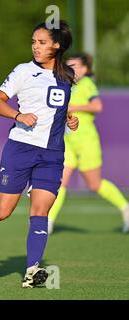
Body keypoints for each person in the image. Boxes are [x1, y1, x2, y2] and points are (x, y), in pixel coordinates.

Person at [0, 20, 79, 288]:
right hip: (20, 150)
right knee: (3, 212)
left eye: (42, 42)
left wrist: (71, 120)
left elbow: (57, 108)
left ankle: (31, 271)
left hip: (52, 154)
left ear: (57, 45)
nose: (35, 47)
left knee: (40, 210)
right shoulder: (24, 71)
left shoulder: (67, 77)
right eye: (34, 42)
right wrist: (18, 115)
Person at [47, 53, 129, 234]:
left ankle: (125, 208)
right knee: (59, 182)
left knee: (94, 184)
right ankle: (48, 221)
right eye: (68, 65)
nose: (71, 69)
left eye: (75, 66)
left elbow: (97, 106)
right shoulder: (64, 84)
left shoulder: (86, 85)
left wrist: (73, 107)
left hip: (86, 141)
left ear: (85, 69)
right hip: (67, 142)